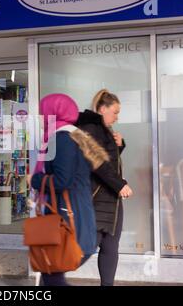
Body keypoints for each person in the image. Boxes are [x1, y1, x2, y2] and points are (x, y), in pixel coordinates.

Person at [29, 93, 110, 286]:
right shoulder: (74, 136)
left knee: (52, 271)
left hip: (65, 216)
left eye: (42, 113)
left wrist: (35, 179)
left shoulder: (62, 139)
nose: (40, 118)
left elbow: (62, 180)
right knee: (50, 270)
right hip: (71, 211)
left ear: (53, 113)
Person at [76, 89, 133, 286]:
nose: (117, 117)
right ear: (102, 109)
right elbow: (96, 162)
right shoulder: (91, 128)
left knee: (110, 246)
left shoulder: (103, 130)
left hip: (110, 200)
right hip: (96, 198)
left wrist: (119, 146)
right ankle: (51, 273)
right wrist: (120, 185)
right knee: (86, 247)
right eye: (115, 112)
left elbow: (108, 160)